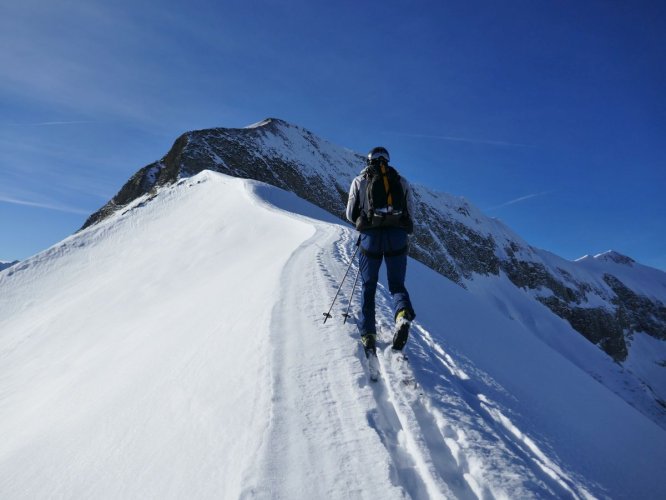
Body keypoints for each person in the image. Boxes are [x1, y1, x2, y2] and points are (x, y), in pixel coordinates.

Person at [346, 146, 416, 353]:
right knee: (396, 285)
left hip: (371, 236)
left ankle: (368, 334)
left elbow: (350, 213)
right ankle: (402, 314)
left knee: (368, 286)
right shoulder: (401, 181)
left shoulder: (360, 180)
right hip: (397, 236)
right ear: (387, 160)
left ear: (369, 161)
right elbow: (410, 213)